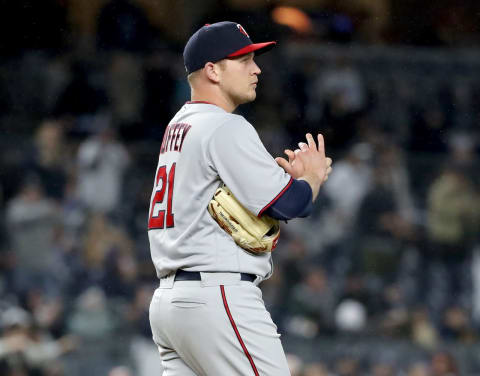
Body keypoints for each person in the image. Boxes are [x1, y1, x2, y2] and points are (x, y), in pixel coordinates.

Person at [147, 21, 332, 376]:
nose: (257, 68)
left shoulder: (178, 126)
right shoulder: (224, 125)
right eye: (244, 60)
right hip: (216, 296)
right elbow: (291, 204)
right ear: (213, 70)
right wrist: (310, 178)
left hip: (170, 304)